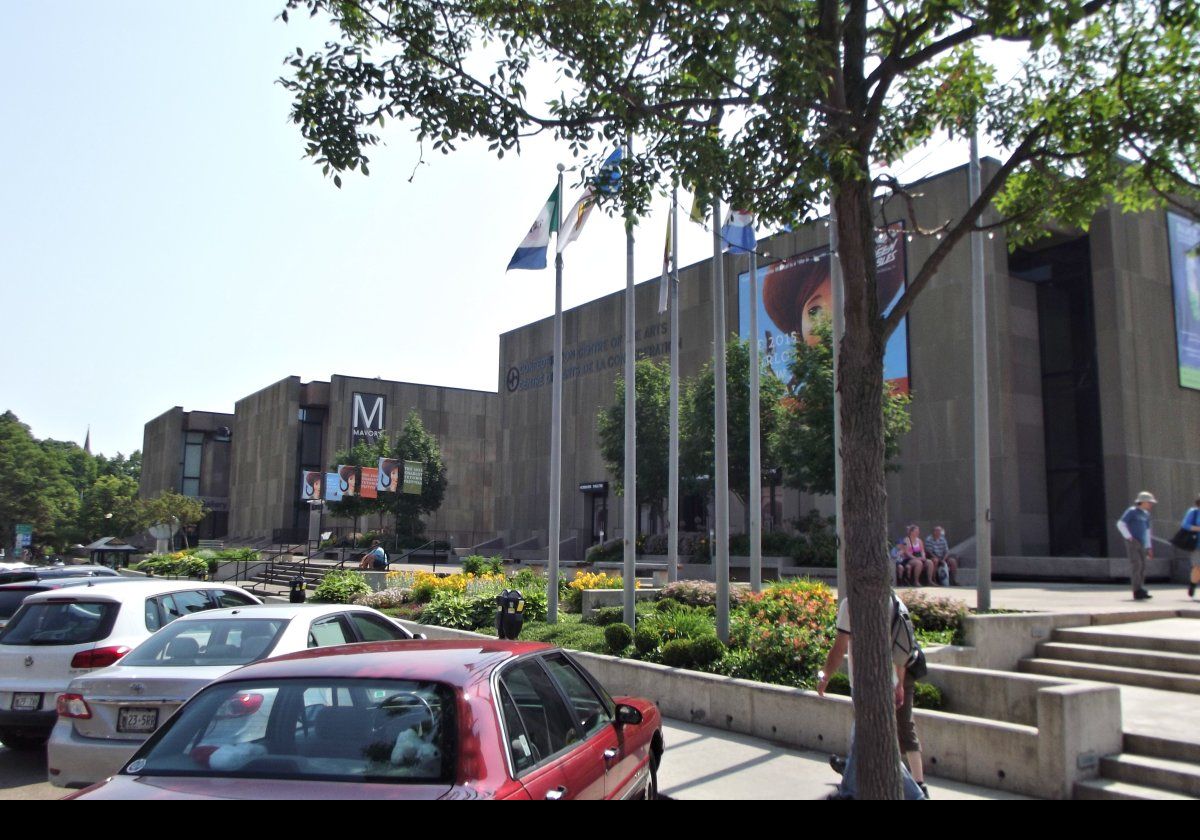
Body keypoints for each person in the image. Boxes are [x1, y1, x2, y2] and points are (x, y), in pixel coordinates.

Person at [817, 592, 928, 800]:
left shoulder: (851, 604)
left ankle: (851, 792)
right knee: (872, 740)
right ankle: (852, 786)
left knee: (865, 737)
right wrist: (899, 684)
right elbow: (901, 649)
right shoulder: (893, 601)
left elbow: (840, 646)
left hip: (864, 682)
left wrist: (825, 676)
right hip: (890, 680)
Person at [1117, 491, 1157, 600]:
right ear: (1142, 501)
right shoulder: (1132, 511)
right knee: (1136, 565)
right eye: (1149, 502)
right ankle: (1136, 590)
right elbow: (1120, 524)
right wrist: (1129, 537)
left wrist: (1149, 547)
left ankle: (1141, 588)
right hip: (1133, 542)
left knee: (1143, 566)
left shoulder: (1146, 514)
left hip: (1142, 542)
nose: (1151, 504)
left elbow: (1147, 530)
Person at [1180, 497, 1200, 599]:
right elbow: (1185, 525)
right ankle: (1192, 584)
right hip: (1197, 544)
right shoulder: (1194, 512)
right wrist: (1198, 528)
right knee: (1197, 567)